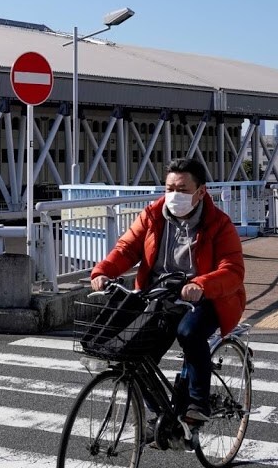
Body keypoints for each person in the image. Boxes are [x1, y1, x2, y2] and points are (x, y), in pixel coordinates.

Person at [90, 157, 245, 423]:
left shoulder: (219, 223)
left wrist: (200, 284)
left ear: (201, 192)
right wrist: (104, 271)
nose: (174, 195)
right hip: (160, 295)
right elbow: (126, 249)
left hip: (206, 297)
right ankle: (162, 416)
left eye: (182, 190)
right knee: (134, 355)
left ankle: (199, 403)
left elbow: (232, 270)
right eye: (169, 188)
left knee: (189, 332)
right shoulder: (152, 215)